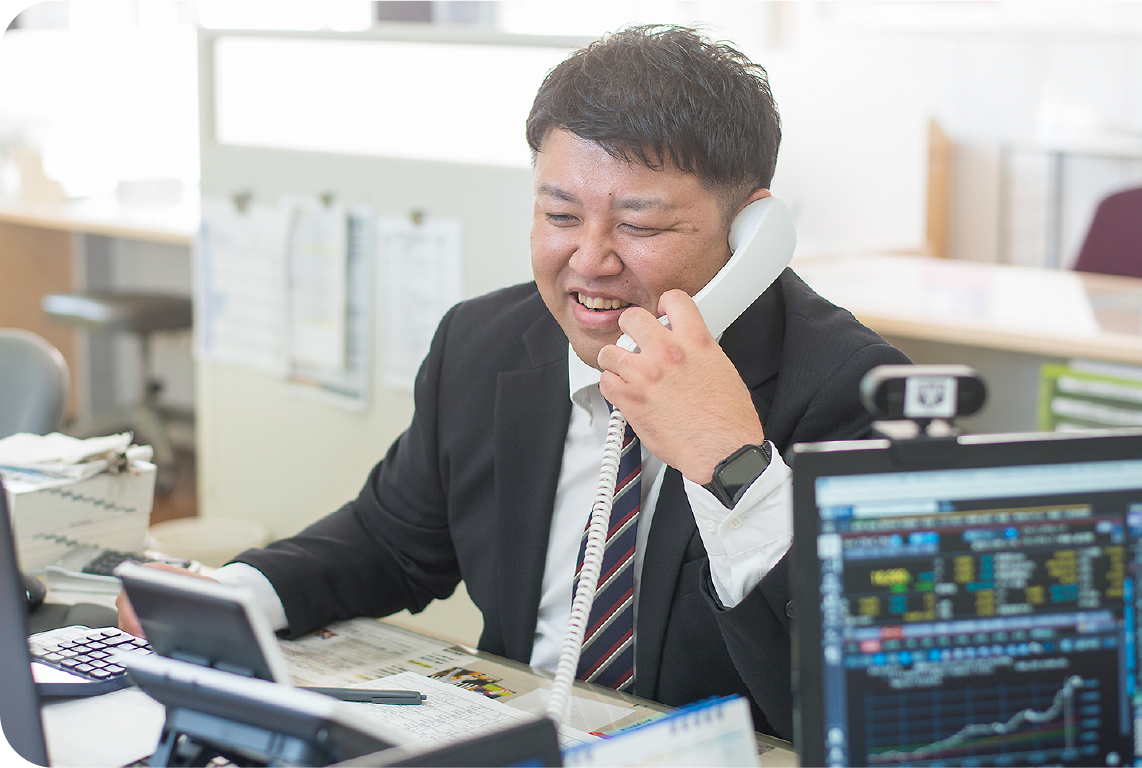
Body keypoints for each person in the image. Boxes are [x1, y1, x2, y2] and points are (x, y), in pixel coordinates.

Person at [118, 24, 909, 739]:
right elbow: (392, 540)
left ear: (750, 232)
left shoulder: (856, 393)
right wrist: (236, 593)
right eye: (560, 215)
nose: (589, 260)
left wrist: (733, 465)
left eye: (639, 225)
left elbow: (881, 700)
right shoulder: (485, 344)